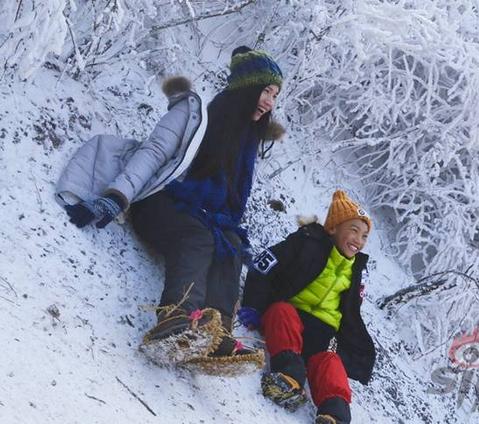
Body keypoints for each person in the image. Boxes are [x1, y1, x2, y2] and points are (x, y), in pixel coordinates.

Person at [55, 46, 285, 368]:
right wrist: (117, 195)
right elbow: (153, 153)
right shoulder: (195, 114)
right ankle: (176, 323)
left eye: (275, 95)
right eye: (266, 91)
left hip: (202, 216)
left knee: (230, 243)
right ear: (247, 88)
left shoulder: (244, 142)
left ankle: (215, 336)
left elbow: (232, 204)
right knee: (201, 237)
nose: (270, 102)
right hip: (158, 201)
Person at [238, 190, 377, 424]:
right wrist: (254, 304)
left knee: (330, 363)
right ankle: (288, 376)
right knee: (281, 312)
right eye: (353, 230)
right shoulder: (306, 242)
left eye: (364, 236)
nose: (359, 240)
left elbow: (351, 314)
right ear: (333, 228)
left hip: (321, 337)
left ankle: (335, 413)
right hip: (291, 315)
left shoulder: (354, 273)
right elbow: (265, 265)